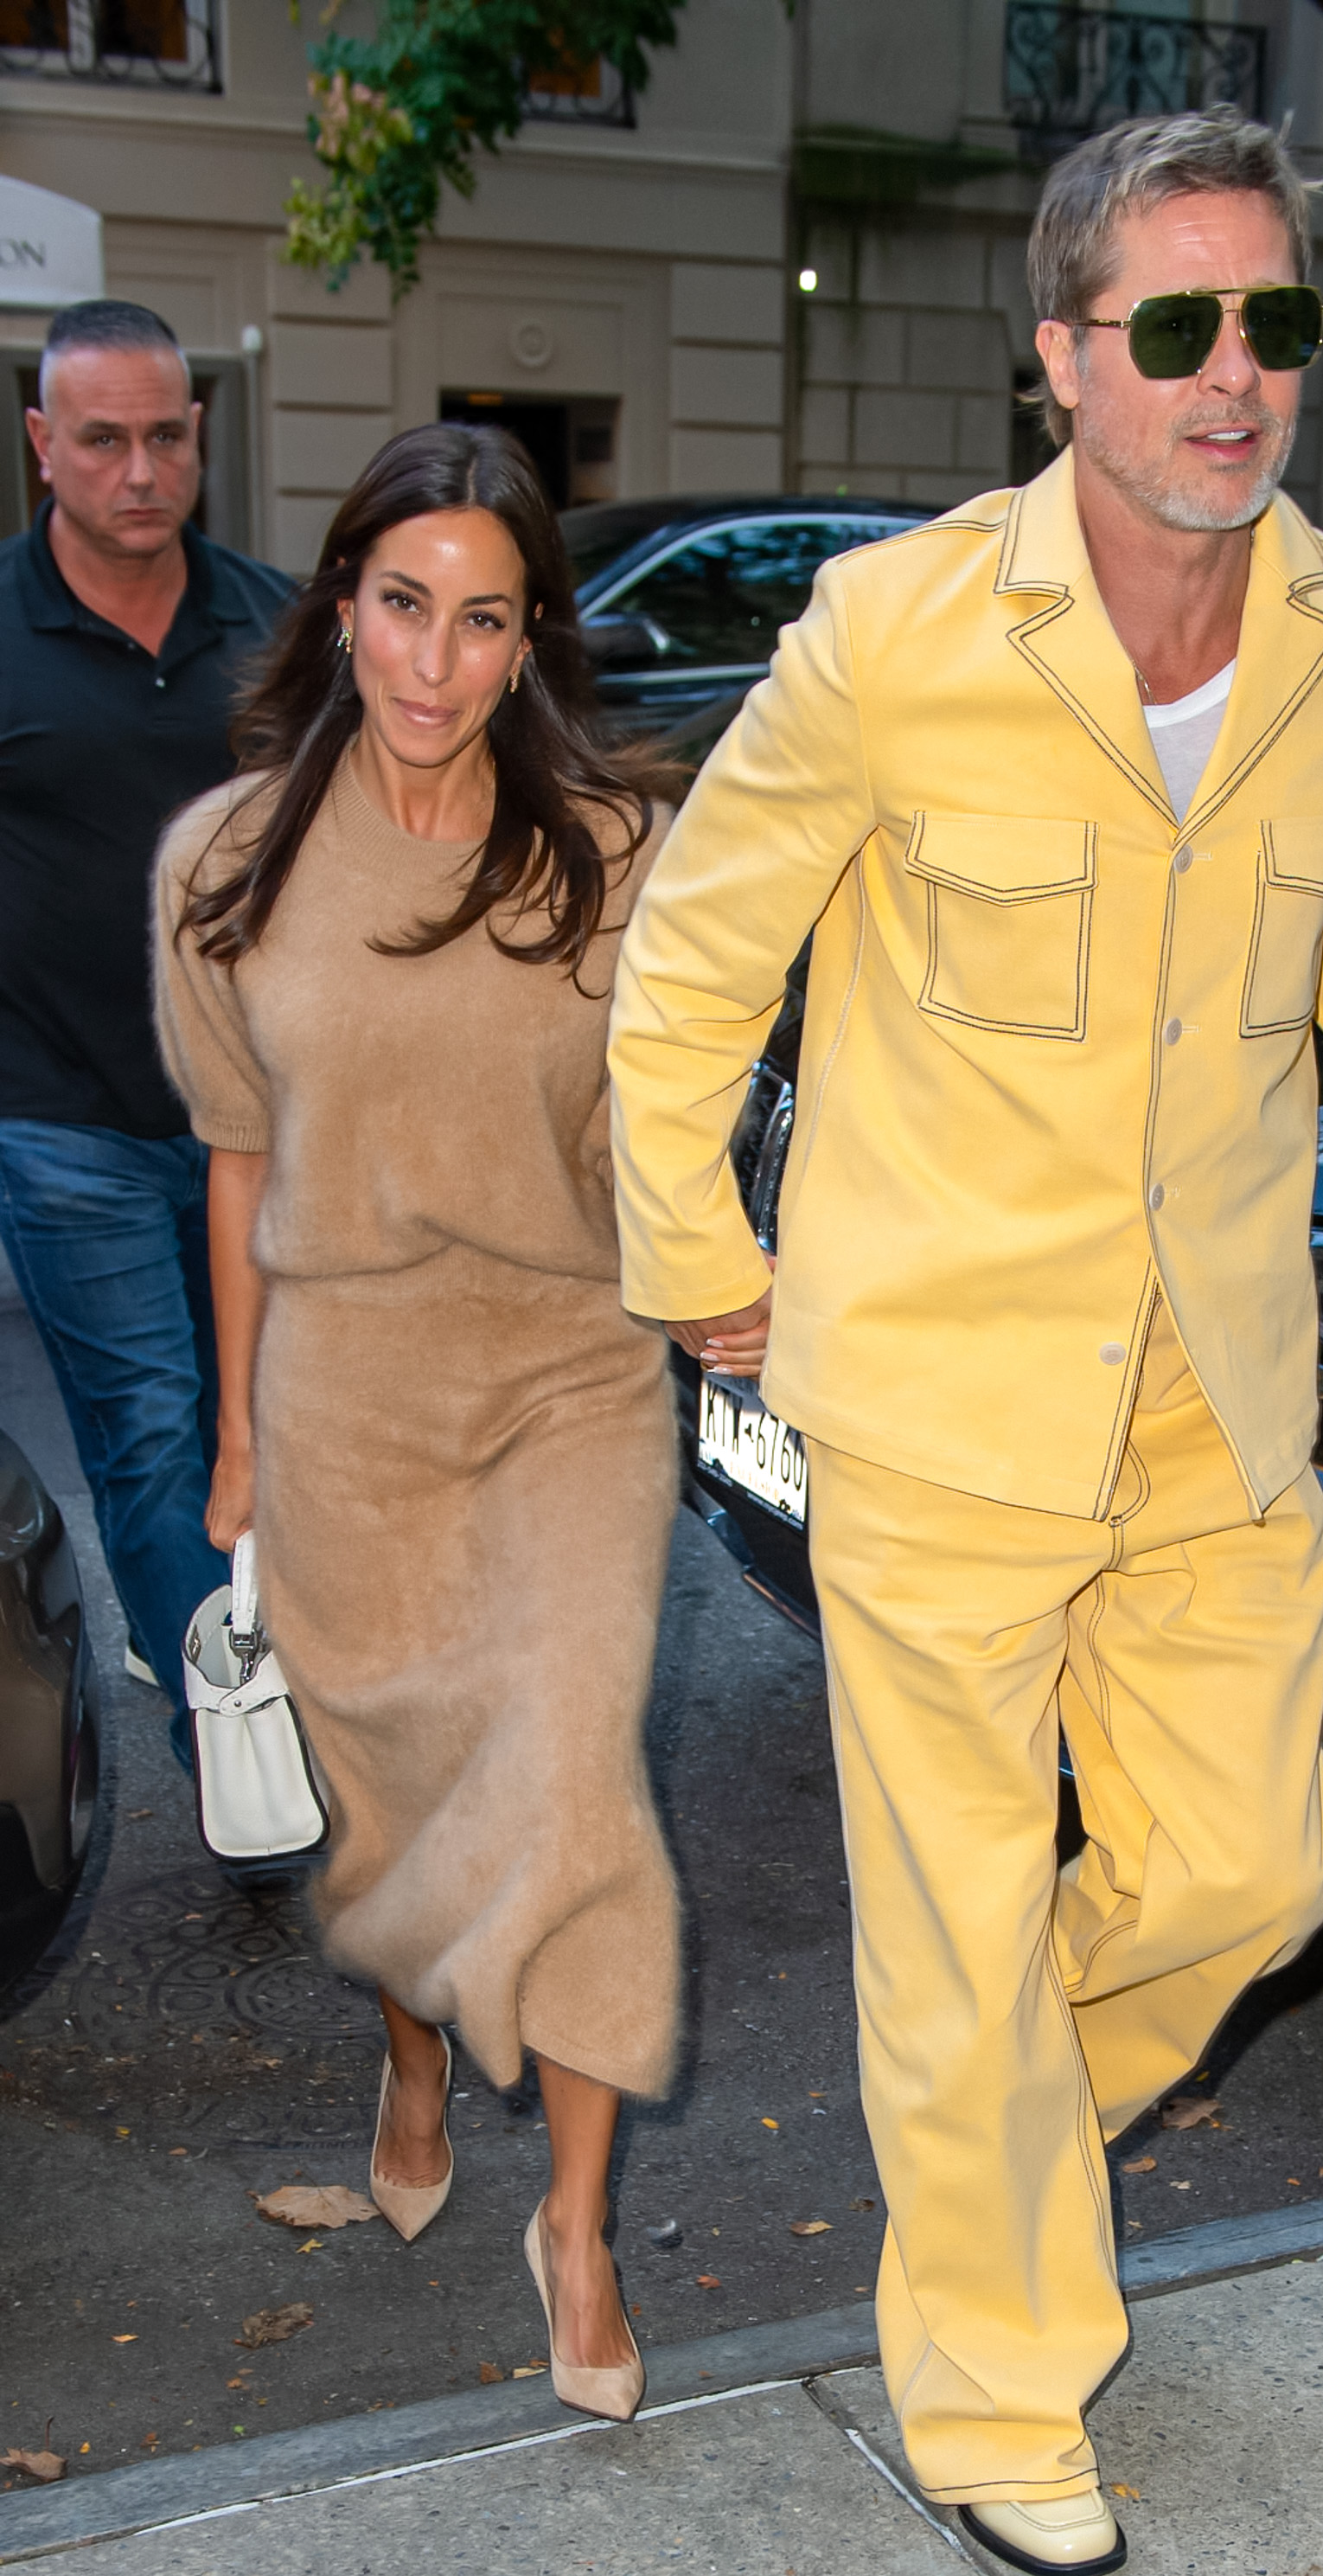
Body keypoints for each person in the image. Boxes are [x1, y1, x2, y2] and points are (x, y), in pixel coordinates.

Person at [606, 108, 1323, 2576]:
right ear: (1063, 358)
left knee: (1250, 1877)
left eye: (1270, 319)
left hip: (1213, 1395)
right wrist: (693, 1254)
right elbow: (695, 955)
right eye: (1174, 325)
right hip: (932, 1391)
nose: (1231, 373)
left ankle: (984, 2103)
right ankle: (996, 2374)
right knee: (945, 1914)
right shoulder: (899, 630)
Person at [152, 423, 679, 2414]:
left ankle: (580, 2225)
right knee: (391, 1816)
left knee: (571, 1787)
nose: (436, 663)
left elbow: (660, 1136)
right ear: (341, 605)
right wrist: (238, 1439)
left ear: (530, 634)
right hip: (345, 1379)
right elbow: (232, 1164)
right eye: (401, 606)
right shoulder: (226, 861)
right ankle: (406, 2049)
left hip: (564, 1368)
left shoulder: (609, 851)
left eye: (483, 618)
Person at [0, 298, 291, 1742]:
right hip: (66, 1121)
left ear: (198, 437)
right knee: (154, 1433)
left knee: (271, 1432)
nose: (137, 470)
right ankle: (230, 1744)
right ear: (42, 443)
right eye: (101, 440)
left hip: (257, 1120)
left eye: (164, 436)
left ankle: (235, 1669)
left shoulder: (280, 625)